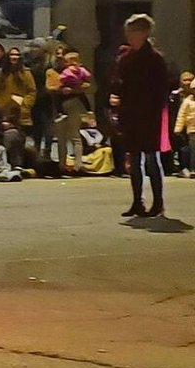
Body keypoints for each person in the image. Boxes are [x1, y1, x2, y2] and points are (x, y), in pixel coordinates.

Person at [110, 13, 171, 217]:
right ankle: (138, 201)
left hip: (150, 116)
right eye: (128, 32)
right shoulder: (125, 59)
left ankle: (158, 202)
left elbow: (162, 90)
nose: (130, 36)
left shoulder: (155, 59)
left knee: (152, 159)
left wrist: (154, 112)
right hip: (130, 115)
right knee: (134, 160)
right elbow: (119, 82)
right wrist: (116, 95)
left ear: (144, 33)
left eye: (134, 32)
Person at [47, 50, 92, 174]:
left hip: (73, 103)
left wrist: (73, 89)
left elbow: (87, 85)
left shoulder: (78, 70)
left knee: (74, 135)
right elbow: (49, 87)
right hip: (58, 106)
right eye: (58, 53)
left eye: (62, 54)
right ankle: (62, 166)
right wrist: (61, 89)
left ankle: (78, 165)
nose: (60, 56)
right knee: (61, 137)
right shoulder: (52, 72)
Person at [0, 47, 36, 138]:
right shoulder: (0, 73)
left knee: (20, 139)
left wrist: (25, 104)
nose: (14, 57)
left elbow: (31, 91)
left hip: (21, 113)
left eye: (17, 55)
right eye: (12, 55)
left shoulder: (26, 73)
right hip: (4, 112)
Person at [173, 72, 195, 177]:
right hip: (187, 128)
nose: (187, 82)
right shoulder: (184, 99)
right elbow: (180, 114)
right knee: (187, 149)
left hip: (191, 127)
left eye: (189, 80)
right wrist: (178, 127)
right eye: (185, 80)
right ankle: (187, 168)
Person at [79, 111, 115, 176]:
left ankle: (105, 169)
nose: (93, 121)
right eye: (90, 119)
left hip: (100, 152)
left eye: (93, 119)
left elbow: (105, 143)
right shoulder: (81, 133)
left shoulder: (100, 132)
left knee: (108, 150)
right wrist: (94, 147)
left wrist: (100, 146)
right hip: (89, 153)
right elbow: (82, 149)